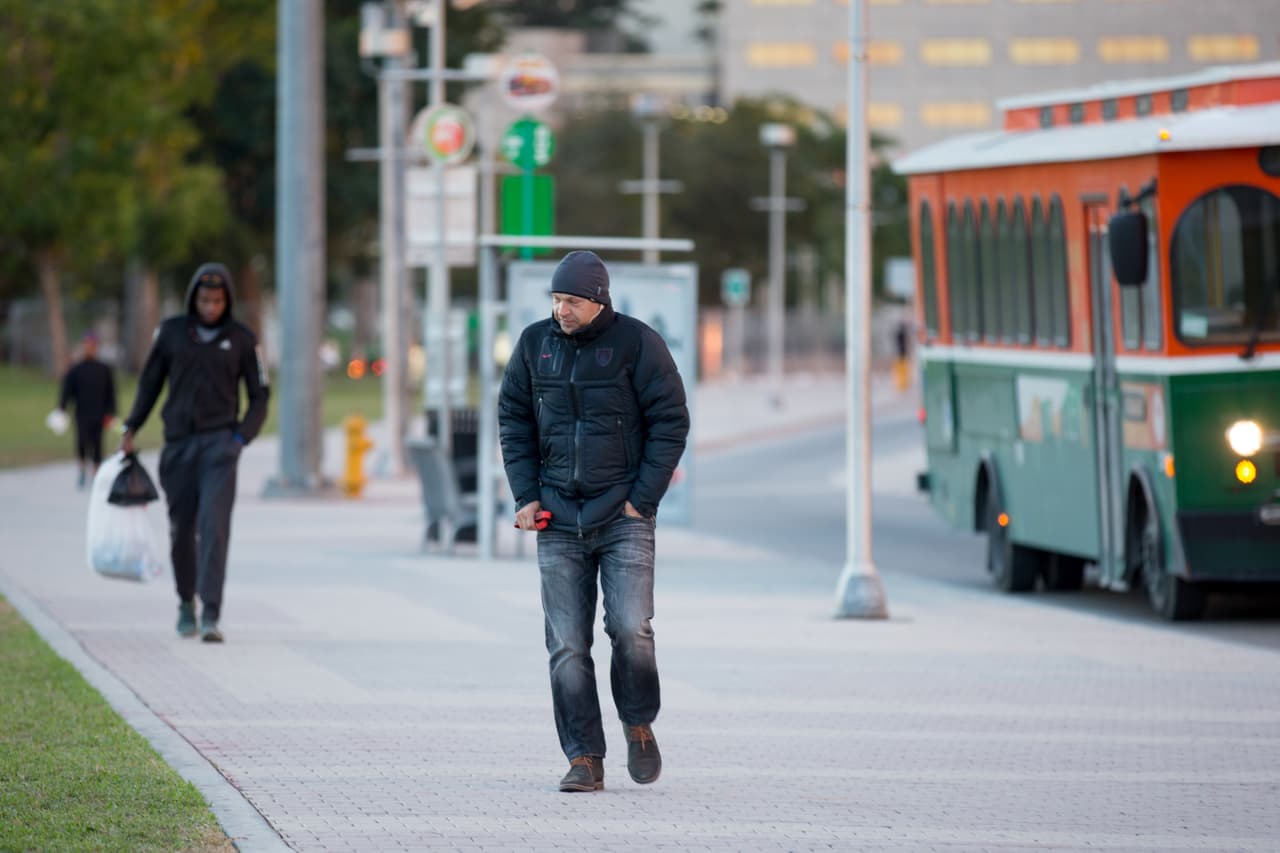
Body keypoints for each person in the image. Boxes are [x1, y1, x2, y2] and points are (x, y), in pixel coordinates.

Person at [498, 250, 690, 793]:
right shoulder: (536, 345)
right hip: (557, 517)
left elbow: (671, 421)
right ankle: (584, 756)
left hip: (623, 515)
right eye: (556, 299)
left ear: (598, 300)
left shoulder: (637, 344)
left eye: (572, 301)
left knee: (631, 629)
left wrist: (641, 500)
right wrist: (526, 495)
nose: (561, 310)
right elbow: (513, 418)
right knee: (566, 644)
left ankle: (637, 722)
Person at [120, 263, 269, 643]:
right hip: (178, 447)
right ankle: (186, 603)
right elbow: (150, 383)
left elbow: (259, 397)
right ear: (194, 298)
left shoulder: (242, 339)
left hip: (220, 447)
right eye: (204, 300)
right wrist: (132, 426)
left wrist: (240, 440)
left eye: (218, 300)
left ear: (227, 300)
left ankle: (212, 613)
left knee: (214, 526)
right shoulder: (171, 334)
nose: (211, 307)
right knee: (181, 529)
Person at [59, 333, 116, 488]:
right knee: (82, 442)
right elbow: (66, 391)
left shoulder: (104, 369)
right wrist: (62, 408)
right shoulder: (76, 369)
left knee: (97, 444)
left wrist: (111, 413)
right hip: (81, 413)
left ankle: (96, 474)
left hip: (99, 413)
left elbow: (111, 393)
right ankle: (82, 470)